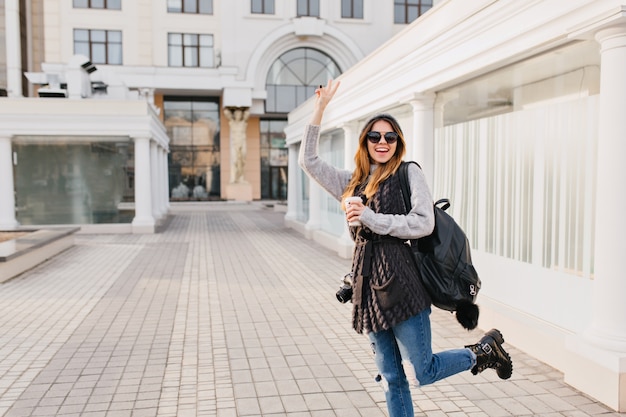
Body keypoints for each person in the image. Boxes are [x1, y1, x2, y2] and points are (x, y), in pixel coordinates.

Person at [299, 79, 513, 417]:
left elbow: (423, 223)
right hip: (367, 289)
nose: (382, 142)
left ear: (398, 142)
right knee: (391, 377)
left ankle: (483, 351)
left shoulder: (408, 173)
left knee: (421, 371)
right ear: (364, 142)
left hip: (403, 285)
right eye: (374, 136)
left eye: (390, 136)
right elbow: (309, 161)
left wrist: (371, 217)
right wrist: (320, 108)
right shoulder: (350, 181)